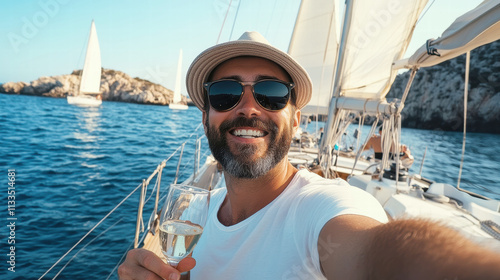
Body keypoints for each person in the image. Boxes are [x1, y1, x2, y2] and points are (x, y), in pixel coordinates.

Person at [118, 32, 500, 280]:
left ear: (296, 120)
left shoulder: (322, 207)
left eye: (271, 94)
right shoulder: (196, 214)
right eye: (224, 94)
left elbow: (378, 253)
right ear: (205, 117)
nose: (248, 108)